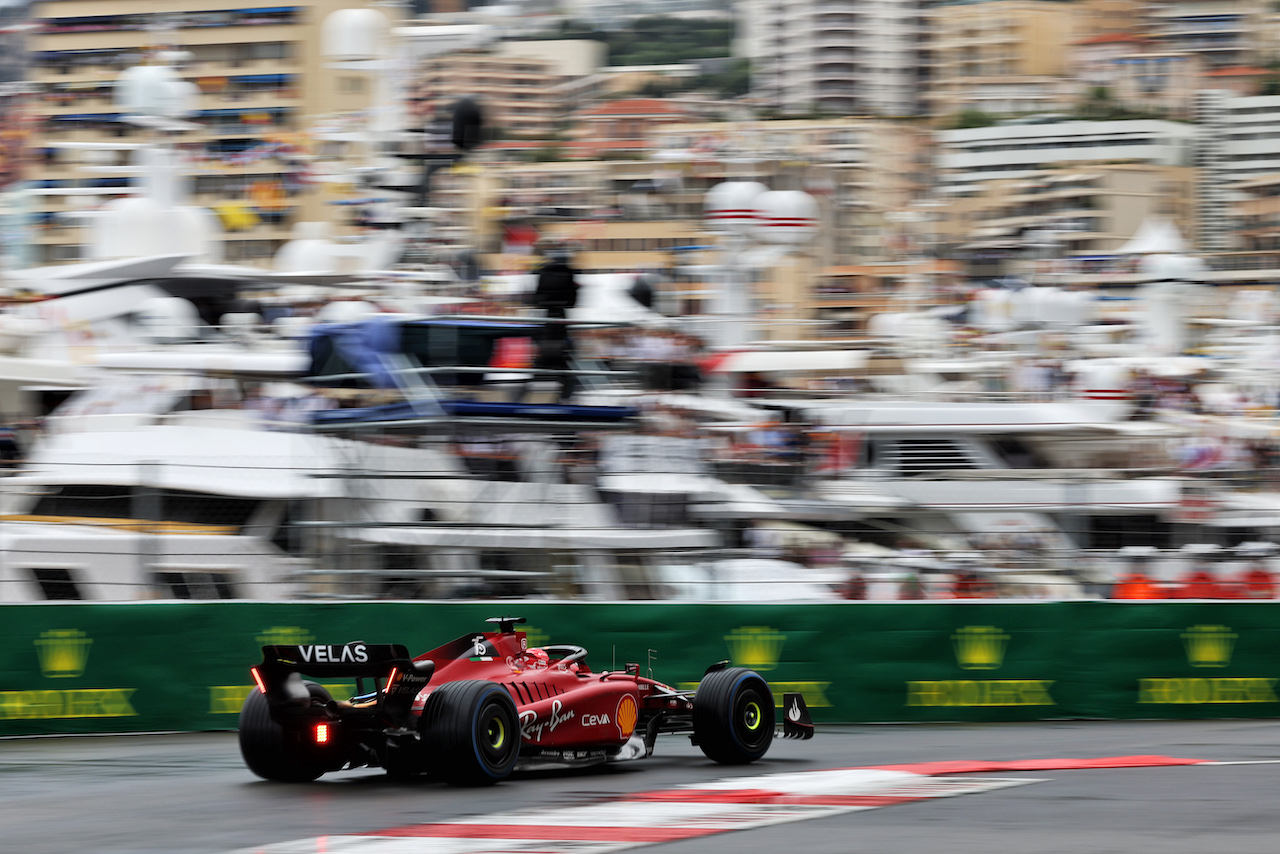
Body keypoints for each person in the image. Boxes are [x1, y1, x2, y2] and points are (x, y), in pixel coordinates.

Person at [528, 242, 580, 401]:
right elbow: (572, 301)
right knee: (566, 367)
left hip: (546, 323)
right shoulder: (569, 274)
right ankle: (564, 398)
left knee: (541, 365)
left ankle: (530, 396)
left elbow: (536, 298)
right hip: (559, 323)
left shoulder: (543, 272)